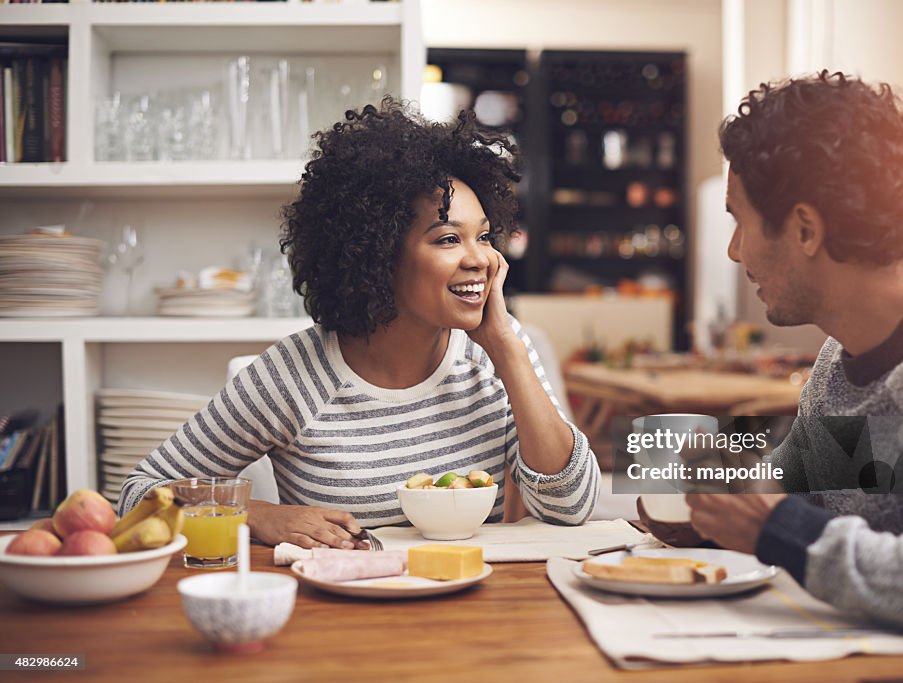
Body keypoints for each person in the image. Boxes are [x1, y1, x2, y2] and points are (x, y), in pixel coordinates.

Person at [643, 71, 903, 668]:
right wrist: (708, 511)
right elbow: (784, 488)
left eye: (739, 221)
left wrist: (780, 531)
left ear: (804, 229)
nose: (734, 251)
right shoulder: (838, 362)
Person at [119, 98, 600, 549]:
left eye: (485, 237)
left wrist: (506, 349)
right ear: (379, 253)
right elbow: (138, 494)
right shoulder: (292, 375)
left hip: (472, 615)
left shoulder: (496, 358)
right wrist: (257, 515)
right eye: (449, 238)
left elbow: (571, 507)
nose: (481, 260)